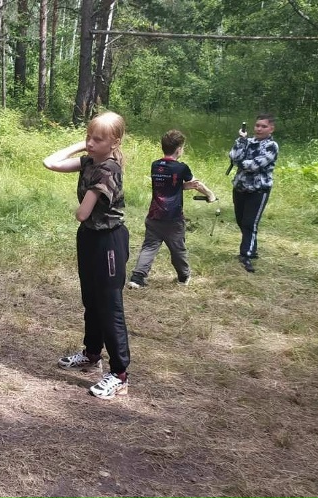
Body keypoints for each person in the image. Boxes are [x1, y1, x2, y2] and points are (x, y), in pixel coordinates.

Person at [42, 111, 132, 400]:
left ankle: (119, 374)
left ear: (114, 142)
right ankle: (92, 354)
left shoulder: (108, 170)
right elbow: (50, 162)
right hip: (90, 237)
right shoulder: (89, 161)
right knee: (91, 300)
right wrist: (82, 146)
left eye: (98, 139)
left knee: (109, 306)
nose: (91, 143)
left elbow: (82, 213)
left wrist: (88, 148)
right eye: (88, 137)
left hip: (109, 241)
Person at [128, 130, 217, 289]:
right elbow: (197, 184)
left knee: (149, 247)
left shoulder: (155, 165)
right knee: (178, 249)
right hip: (173, 218)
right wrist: (210, 195)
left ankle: (137, 278)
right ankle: (184, 276)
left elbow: (168, 185)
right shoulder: (181, 168)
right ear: (178, 149)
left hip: (154, 215)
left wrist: (184, 186)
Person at [228, 114, 278, 273]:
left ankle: (246, 255)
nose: (259, 129)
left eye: (264, 126)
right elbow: (233, 156)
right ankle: (252, 248)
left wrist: (239, 162)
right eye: (257, 125)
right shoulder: (246, 141)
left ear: (271, 129)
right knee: (241, 220)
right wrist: (241, 140)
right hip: (240, 187)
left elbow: (255, 165)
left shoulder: (271, 146)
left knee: (250, 223)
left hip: (259, 189)